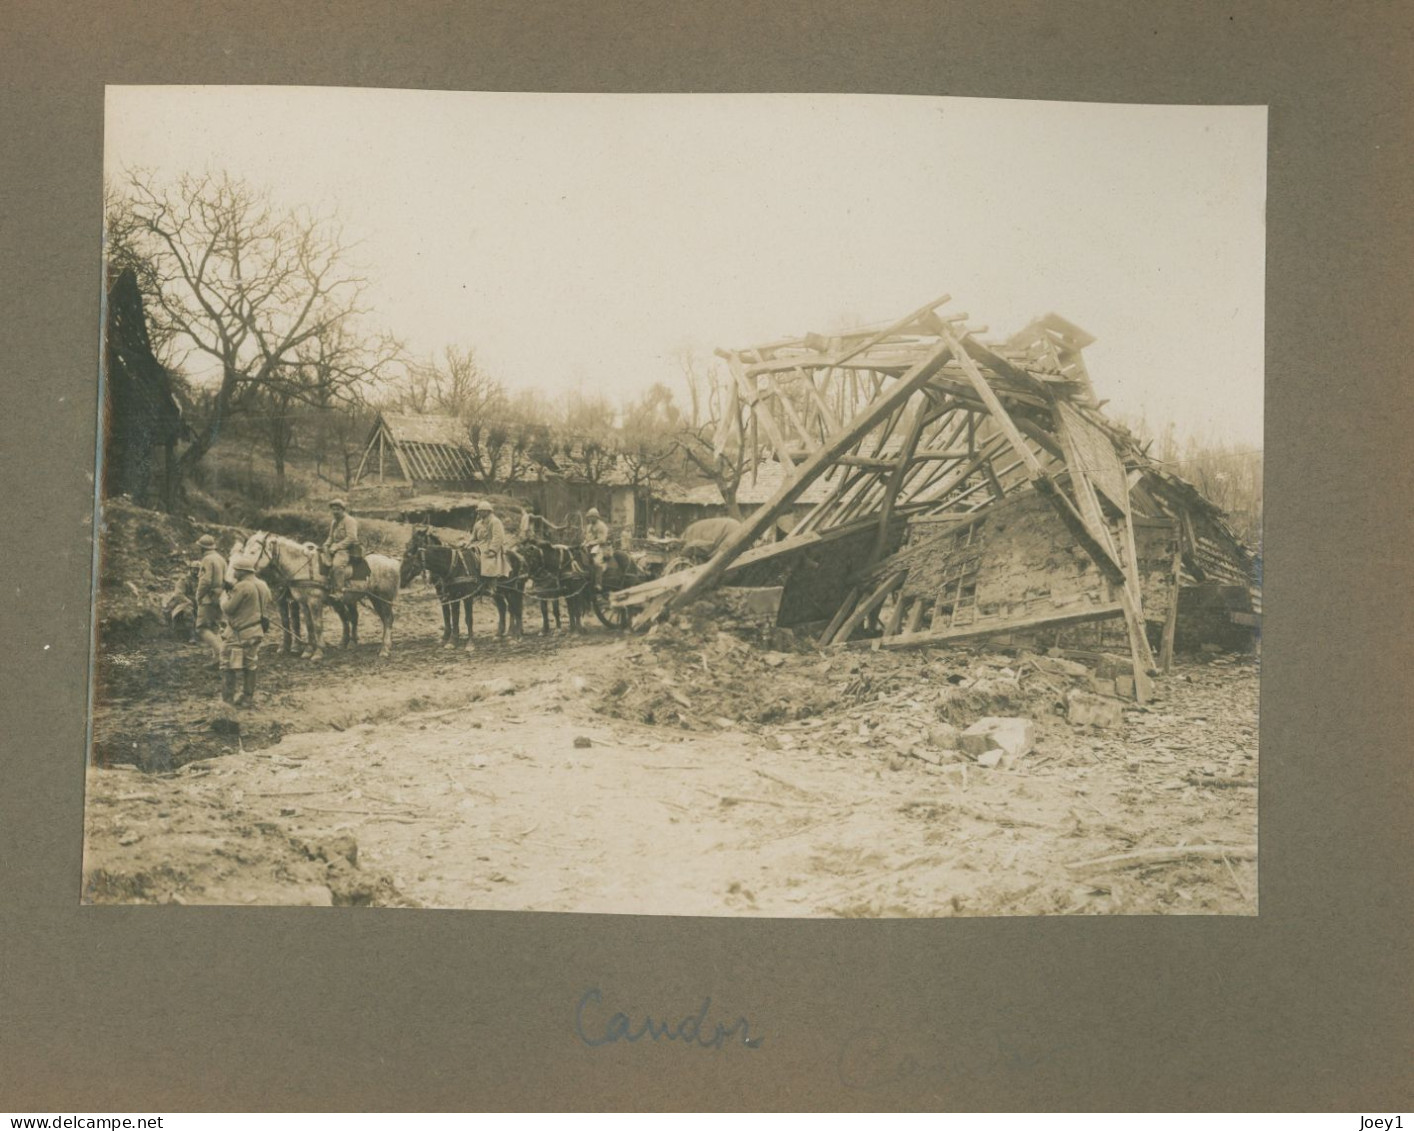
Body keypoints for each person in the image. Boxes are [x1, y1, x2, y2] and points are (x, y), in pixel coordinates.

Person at [218, 553, 272, 708]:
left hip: (239, 633)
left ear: (242, 571)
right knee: (250, 664)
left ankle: (227, 701)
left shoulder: (242, 586)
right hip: (256, 630)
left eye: (236, 570)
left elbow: (228, 609)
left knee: (227, 665)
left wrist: (224, 595)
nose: (234, 573)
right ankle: (247, 697)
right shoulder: (262, 585)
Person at [193, 534, 227, 666]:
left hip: (208, 598)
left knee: (201, 628)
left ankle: (220, 655)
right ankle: (219, 656)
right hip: (220, 597)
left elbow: (205, 581)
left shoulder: (207, 559)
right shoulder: (221, 559)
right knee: (214, 628)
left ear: (201, 548)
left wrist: (198, 596)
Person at [323, 498, 359, 599]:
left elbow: (352, 537)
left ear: (343, 509)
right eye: (333, 509)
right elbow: (331, 537)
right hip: (334, 548)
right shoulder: (334, 522)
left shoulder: (349, 521)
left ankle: (339, 591)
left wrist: (337, 547)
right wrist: (326, 545)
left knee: (337, 565)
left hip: (347, 549)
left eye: (337, 509)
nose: (335, 511)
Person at [471, 500, 510, 578]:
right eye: (478, 511)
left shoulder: (495, 522)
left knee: (487, 561)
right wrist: (466, 544)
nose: (478, 513)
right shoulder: (478, 524)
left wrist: (493, 550)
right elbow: (473, 537)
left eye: (481, 511)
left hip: (490, 547)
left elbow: (498, 537)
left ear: (487, 511)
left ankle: (490, 583)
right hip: (479, 546)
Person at [583, 507, 612, 586]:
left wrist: (590, 543)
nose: (590, 519)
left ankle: (598, 583)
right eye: (589, 517)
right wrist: (584, 543)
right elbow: (587, 537)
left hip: (601, 547)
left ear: (596, 517)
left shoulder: (602, 526)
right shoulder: (589, 526)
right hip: (589, 547)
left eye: (591, 517)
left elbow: (602, 540)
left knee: (597, 563)